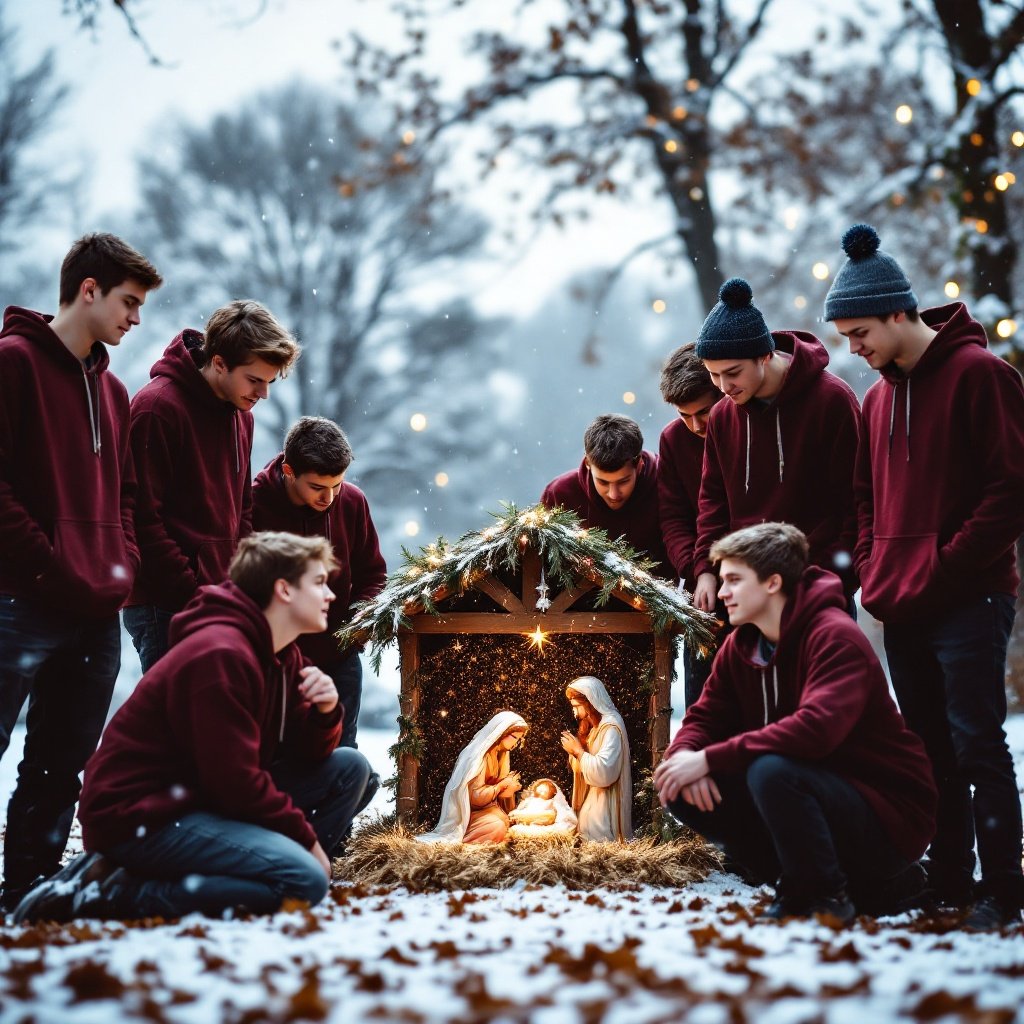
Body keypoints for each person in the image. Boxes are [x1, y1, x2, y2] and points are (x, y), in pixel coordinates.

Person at [14, 532, 377, 924]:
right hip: (140, 815)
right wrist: (307, 843)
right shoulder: (220, 655)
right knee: (303, 882)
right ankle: (105, 893)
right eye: (319, 583)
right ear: (284, 589)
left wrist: (325, 712)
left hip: (202, 800)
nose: (331, 596)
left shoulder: (279, 653)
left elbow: (306, 756)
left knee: (350, 768)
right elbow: (234, 781)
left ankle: (260, 868)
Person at [824, 223, 1024, 929]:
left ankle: (1005, 885)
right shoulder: (876, 400)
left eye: (860, 333)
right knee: (929, 745)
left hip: (972, 595)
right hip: (901, 603)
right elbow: (863, 501)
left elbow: (1011, 488)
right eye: (846, 337)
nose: (855, 349)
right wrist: (878, 570)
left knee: (977, 739)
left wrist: (945, 565)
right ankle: (948, 880)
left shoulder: (983, 375)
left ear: (901, 313)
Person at [654, 523, 937, 923]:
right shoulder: (743, 644)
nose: (721, 593)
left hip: (887, 813)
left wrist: (710, 760)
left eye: (734, 580)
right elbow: (704, 716)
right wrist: (685, 755)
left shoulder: (834, 637)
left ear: (772, 583)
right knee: (679, 785)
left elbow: (815, 731)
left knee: (771, 771)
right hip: (810, 793)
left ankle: (830, 895)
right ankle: (805, 881)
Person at [0, 233, 163, 913]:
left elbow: (123, 495)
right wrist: (47, 564)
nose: (135, 319)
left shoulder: (116, 390)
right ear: (87, 290)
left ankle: (28, 894)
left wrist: (120, 564)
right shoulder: (12, 363)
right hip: (22, 600)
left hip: (96, 609)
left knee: (57, 765)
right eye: (128, 302)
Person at [124, 300, 300, 672]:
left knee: (212, 722)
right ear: (219, 362)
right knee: (175, 724)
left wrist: (240, 586)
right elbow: (141, 519)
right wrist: (194, 591)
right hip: (165, 604)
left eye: (268, 383)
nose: (262, 394)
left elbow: (243, 508)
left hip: (219, 599)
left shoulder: (241, 417)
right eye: (255, 380)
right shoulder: (157, 408)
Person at [690, 279, 861, 618]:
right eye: (713, 375)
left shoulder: (832, 401)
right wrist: (706, 570)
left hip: (818, 590)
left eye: (733, 373)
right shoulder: (724, 415)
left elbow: (855, 502)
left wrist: (834, 578)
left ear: (765, 356)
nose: (724, 387)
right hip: (744, 596)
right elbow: (713, 501)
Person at [253, 417, 386, 748]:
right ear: (289, 472)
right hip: (275, 660)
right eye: (317, 487)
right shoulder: (254, 506)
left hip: (339, 656)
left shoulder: (352, 502)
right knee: (279, 754)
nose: (329, 497)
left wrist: (361, 618)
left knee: (344, 754)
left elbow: (372, 573)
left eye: (336, 484)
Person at [658, 343, 725, 707]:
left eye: (704, 411)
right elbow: (673, 517)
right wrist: (696, 569)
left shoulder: (739, 425)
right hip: (701, 588)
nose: (697, 425)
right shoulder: (672, 440)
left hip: (752, 578)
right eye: (686, 416)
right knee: (703, 703)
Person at [540, 414, 669, 577]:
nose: (613, 494)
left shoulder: (667, 484)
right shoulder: (559, 495)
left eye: (623, 481)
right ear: (588, 463)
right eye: (602, 482)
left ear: (640, 465)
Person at [416, 711, 528, 845]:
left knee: (507, 822)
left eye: (519, 739)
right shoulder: (478, 758)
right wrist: (501, 786)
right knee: (496, 827)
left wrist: (509, 788)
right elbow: (475, 797)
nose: (516, 743)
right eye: (515, 737)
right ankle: (469, 840)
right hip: (471, 813)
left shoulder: (500, 756)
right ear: (502, 733)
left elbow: (498, 794)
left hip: (488, 809)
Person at [560, 677, 632, 842]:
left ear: (590, 702)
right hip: (594, 797)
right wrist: (574, 752)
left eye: (577, 706)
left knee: (598, 835)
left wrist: (578, 751)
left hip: (606, 802)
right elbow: (583, 768)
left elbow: (605, 772)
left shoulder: (611, 727)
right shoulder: (594, 728)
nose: (575, 712)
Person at [508, 779, 578, 839]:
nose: (542, 791)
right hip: (531, 818)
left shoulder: (552, 802)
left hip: (543, 822)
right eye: (540, 788)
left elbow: (558, 814)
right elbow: (524, 809)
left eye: (545, 789)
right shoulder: (531, 800)